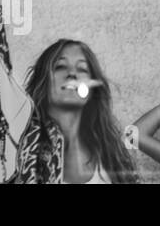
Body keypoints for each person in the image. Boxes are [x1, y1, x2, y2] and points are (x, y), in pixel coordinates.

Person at [8, 39, 137, 183]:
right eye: (60, 66)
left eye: (82, 69)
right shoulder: (20, 148)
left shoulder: (110, 152)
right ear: (43, 80)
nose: (72, 74)